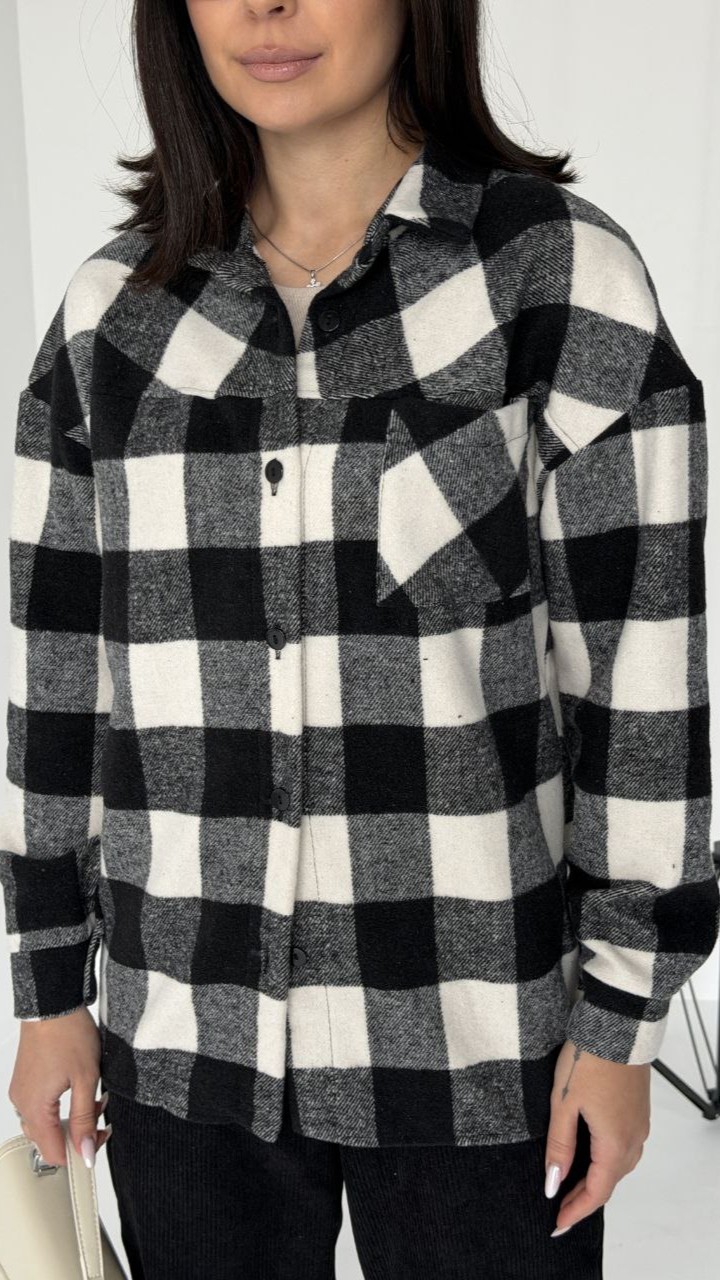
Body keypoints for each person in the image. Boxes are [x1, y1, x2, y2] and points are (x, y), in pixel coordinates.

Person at [1, 1, 717, 1277]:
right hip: (184, 1045)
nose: (266, 8)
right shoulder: (113, 320)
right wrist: (50, 990)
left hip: (481, 1047)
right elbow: (54, 679)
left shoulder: (556, 280)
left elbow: (640, 682)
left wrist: (621, 1020)